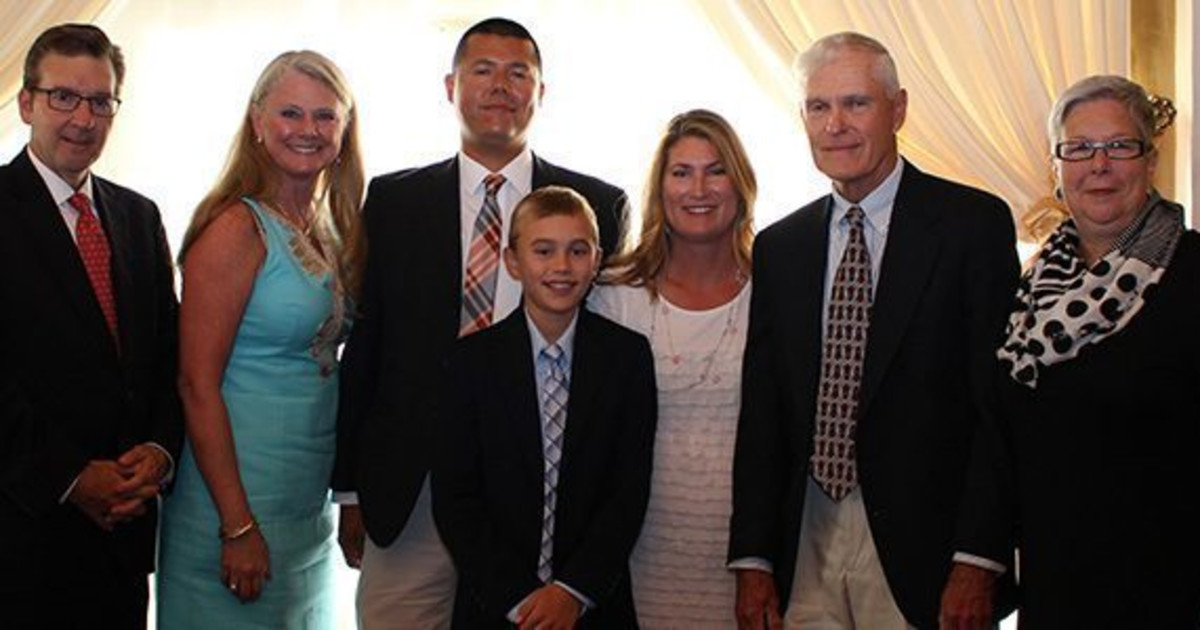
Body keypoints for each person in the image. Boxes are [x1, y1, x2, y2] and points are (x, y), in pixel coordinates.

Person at [334, 16, 630, 628]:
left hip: (534, 493)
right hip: (410, 488)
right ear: (451, 86)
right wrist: (352, 489)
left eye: (518, 73)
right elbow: (368, 346)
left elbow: (605, 360)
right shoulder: (393, 200)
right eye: (483, 71)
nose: (501, 86)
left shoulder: (598, 204)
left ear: (540, 92)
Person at [727, 31, 1020, 629]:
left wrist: (978, 559)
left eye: (856, 103)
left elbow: (997, 408)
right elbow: (764, 412)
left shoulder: (971, 227)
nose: (835, 124)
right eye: (818, 106)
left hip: (928, 557)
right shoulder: (782, 247)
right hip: (804, 542)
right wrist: (754, 557)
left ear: (899, 110)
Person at [950, 75, 1200, 629]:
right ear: (1056, 169)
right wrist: (977, 563)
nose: (1099, 164)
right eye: (1080, 149)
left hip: (1171, 593)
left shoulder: (1193, 273)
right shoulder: (1031, 289)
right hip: (1057, 590)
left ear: (1150, 160)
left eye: (1119, 146)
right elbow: (1000, 439)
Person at [155, 50, 362, 627]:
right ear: (256, 122)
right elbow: (196, 383)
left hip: (304, 510)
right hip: (236, 509)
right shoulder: (234, 227)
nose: (307, 130)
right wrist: (237, 525)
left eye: (325, 116)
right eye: (290, 113)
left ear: (344, 131)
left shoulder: (326, 225)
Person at [0, 23, 182, 628]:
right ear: (27, 102)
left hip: (124, 537)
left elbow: (166, 355)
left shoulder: (137, 215)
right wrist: (74, 477)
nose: (83, 118)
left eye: (100, 101)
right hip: (24, 530)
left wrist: (158, 450)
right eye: (63, 97)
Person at [434, 186, 656, 629]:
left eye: (577, 251)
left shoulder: (626, 358)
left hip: (592, 605)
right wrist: (519, 601)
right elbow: (456, 498)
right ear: (513, 261)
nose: (561, 267)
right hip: (495, 605)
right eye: (543, 250)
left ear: (596, 261)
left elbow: (627, 492)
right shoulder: (469, 362)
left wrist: (571, 593)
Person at [589, 108, 755, 627]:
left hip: (748, 553)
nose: (698, 188)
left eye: (716, 170)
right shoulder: (612, 295)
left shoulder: (776, 290)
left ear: (741, 183)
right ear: (660, 187)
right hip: (638, 543)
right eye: (681, 172)